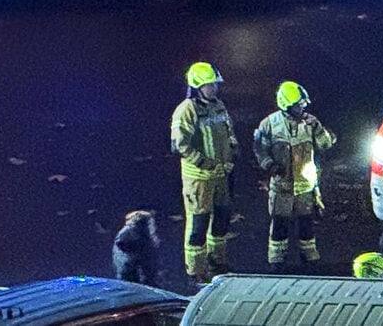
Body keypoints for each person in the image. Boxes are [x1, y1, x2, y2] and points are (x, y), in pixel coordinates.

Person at [253, 81, 336, 272]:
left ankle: (309, 258)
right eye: (299, 104)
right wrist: (269, 165)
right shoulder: (270, 124)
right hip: (282, 186)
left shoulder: (310, 123)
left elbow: (325, 145)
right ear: (287, 105)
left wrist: (320, 129)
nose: (303, 107)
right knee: (280, 225)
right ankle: (276, 261)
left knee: (306, 224)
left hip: (305, 186)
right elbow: (259, 148)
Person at [170, 62, 238, 286]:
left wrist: (232, 151)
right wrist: (203, 162)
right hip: (199, 179)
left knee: (221, 220)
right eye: (209, 85)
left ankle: (217, 262)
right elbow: (179, 145)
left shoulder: (218, 106)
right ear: (197, 86)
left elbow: (228, 132)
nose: (214, 89)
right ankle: (195, 272)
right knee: (198, 224)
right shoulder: (187, 109)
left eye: (215, 85)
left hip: (220, 176)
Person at [112, 210, 160, 286]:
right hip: (130, 270)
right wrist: (135, 254)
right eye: (150, 222)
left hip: (140, 269)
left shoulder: (143, 233)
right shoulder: (129, 231)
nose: (152, 224)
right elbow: (121, 244)